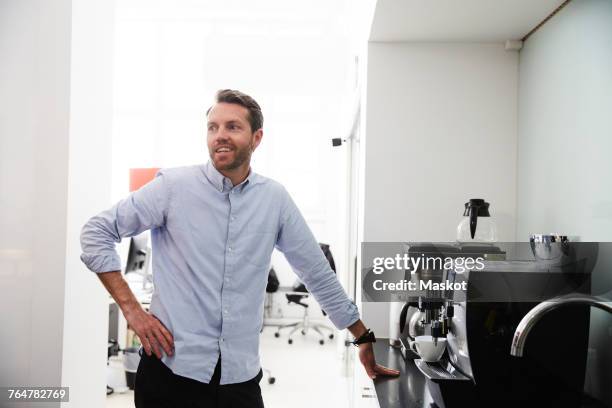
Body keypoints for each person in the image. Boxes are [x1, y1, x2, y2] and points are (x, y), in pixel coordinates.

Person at [80, 89, 399, 407]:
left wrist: (362, 337)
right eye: (213, 127)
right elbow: (96, 231)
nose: (220, 136)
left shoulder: (274, 199)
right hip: (170, 373)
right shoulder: (172, 188)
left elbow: (317, 272)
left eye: (232, 127)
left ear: (256, 137)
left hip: (239, 380)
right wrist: (133, 311)